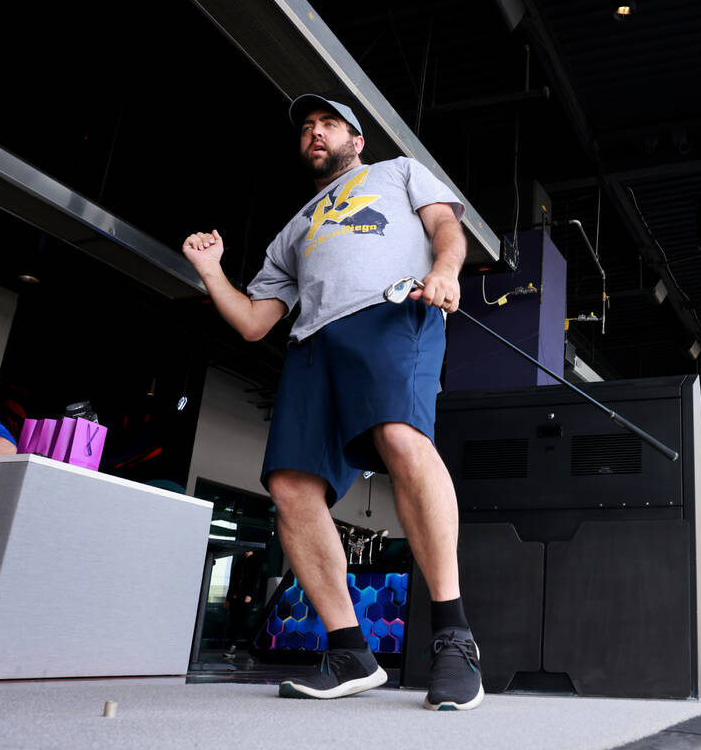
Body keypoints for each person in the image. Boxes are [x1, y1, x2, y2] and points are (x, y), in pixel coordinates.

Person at [181, 94, 481, 710]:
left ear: (356, 140)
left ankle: (454, 637)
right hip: (313, 341)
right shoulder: (293, 231)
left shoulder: (397, 171)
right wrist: (211, 271)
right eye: (307, 128)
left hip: (393, 311)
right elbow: (255, 323)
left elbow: (446, 228)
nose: (315, 133)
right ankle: (350, 652)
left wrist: (446, 270)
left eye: (329, 124)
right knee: (290, 485)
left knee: (399, 437)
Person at [223, 550, 260, 658]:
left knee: (241, 622)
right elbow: (232, 581)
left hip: (246, 597)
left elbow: (256, 580)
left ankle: (234, 648)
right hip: (235, 597)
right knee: (235, 622)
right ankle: (248, 647)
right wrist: (228, 599)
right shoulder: (239, 561)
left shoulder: (256, 561)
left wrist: (250, 594)